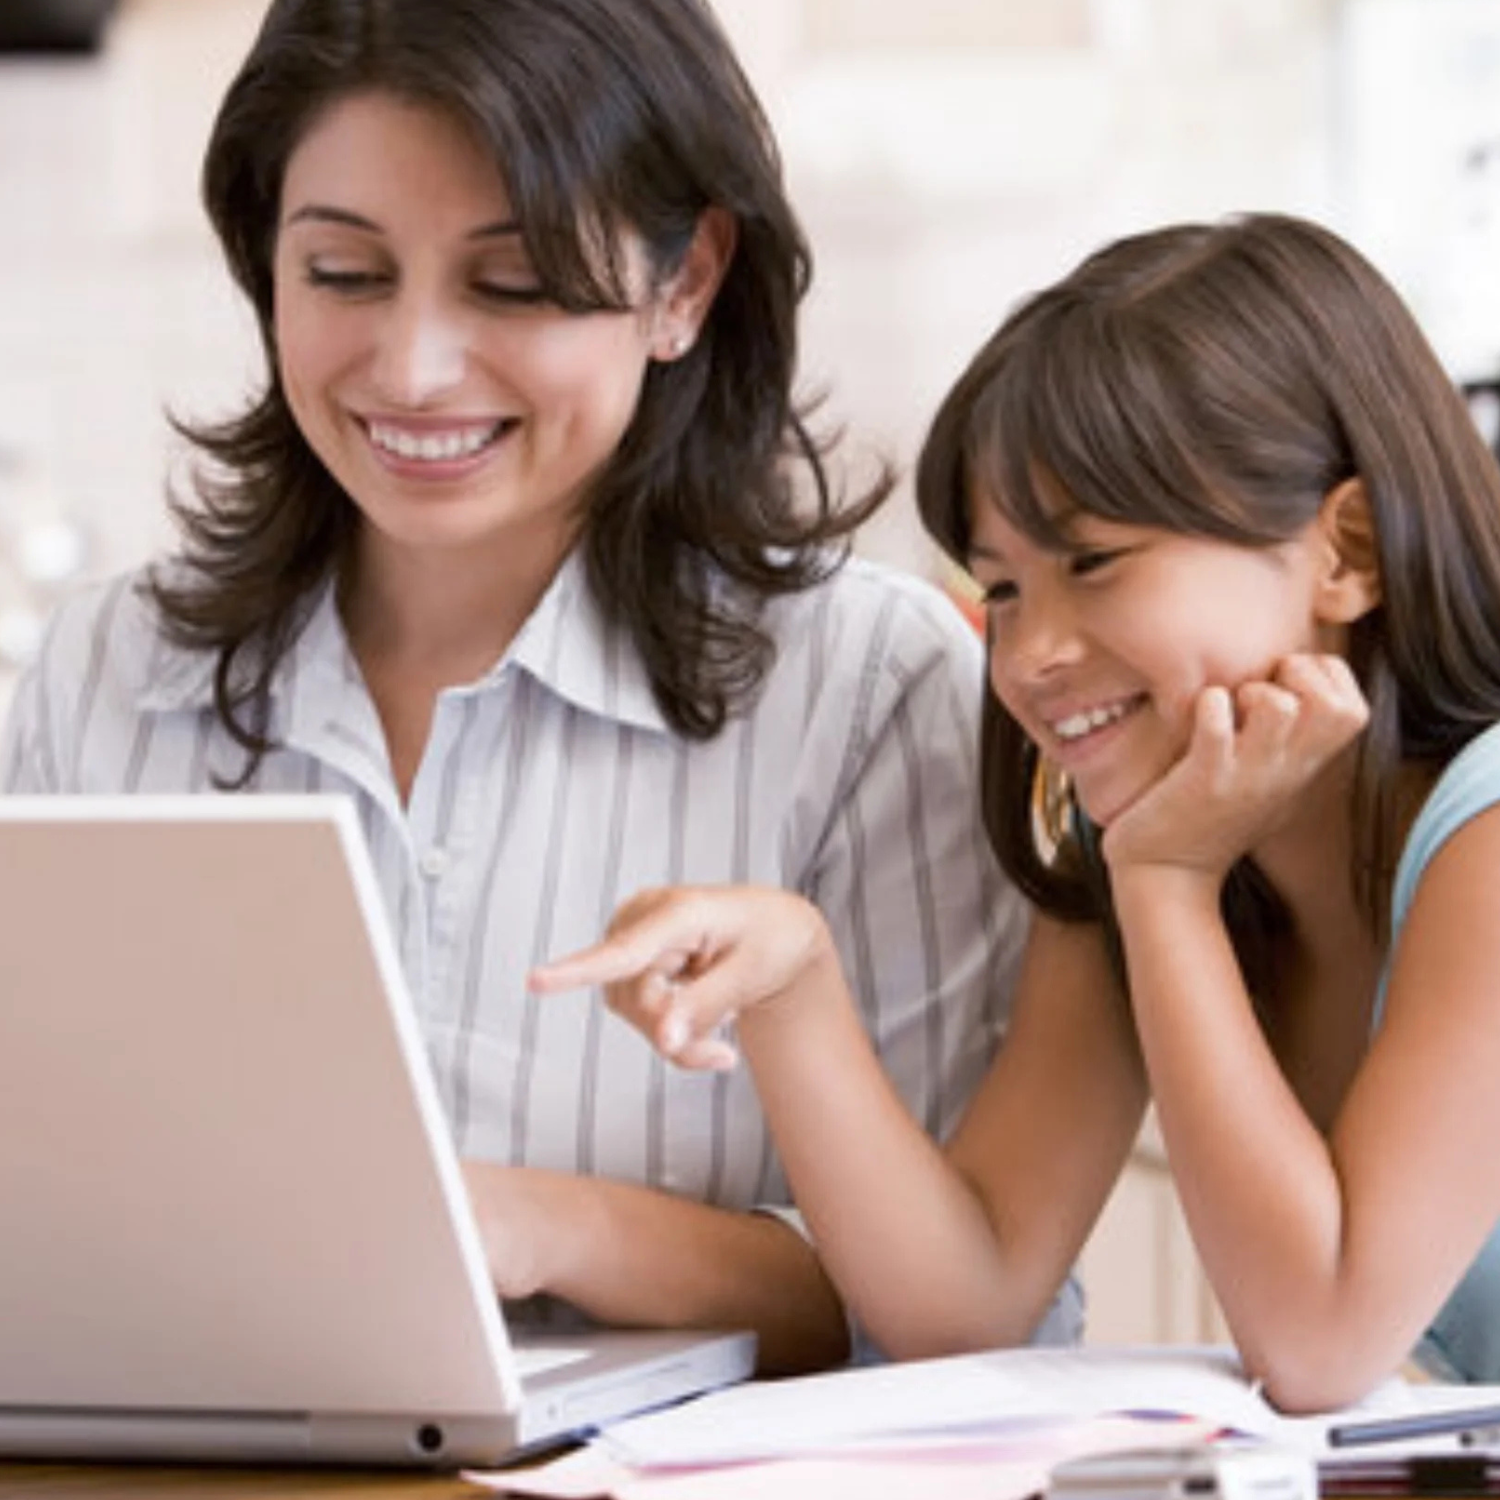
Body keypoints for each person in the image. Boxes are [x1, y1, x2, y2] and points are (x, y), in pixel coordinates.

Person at [0, 0, 1054, 1373]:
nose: (415, 368)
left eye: (515, 286)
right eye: (342, 273)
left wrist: (531, 1228)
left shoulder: (868, 690)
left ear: (684, 286)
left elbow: (948, 1320)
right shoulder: (105, 673)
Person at [534, 211, 1500, 1409]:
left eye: (1093, 561)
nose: (1031, 652)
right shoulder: (1153, 836)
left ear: (1343, 550)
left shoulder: (1474, 838)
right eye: (1001, 586)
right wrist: (794, 989)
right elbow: (970, 1297)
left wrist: (1166, 885)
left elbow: (1320, 1342)